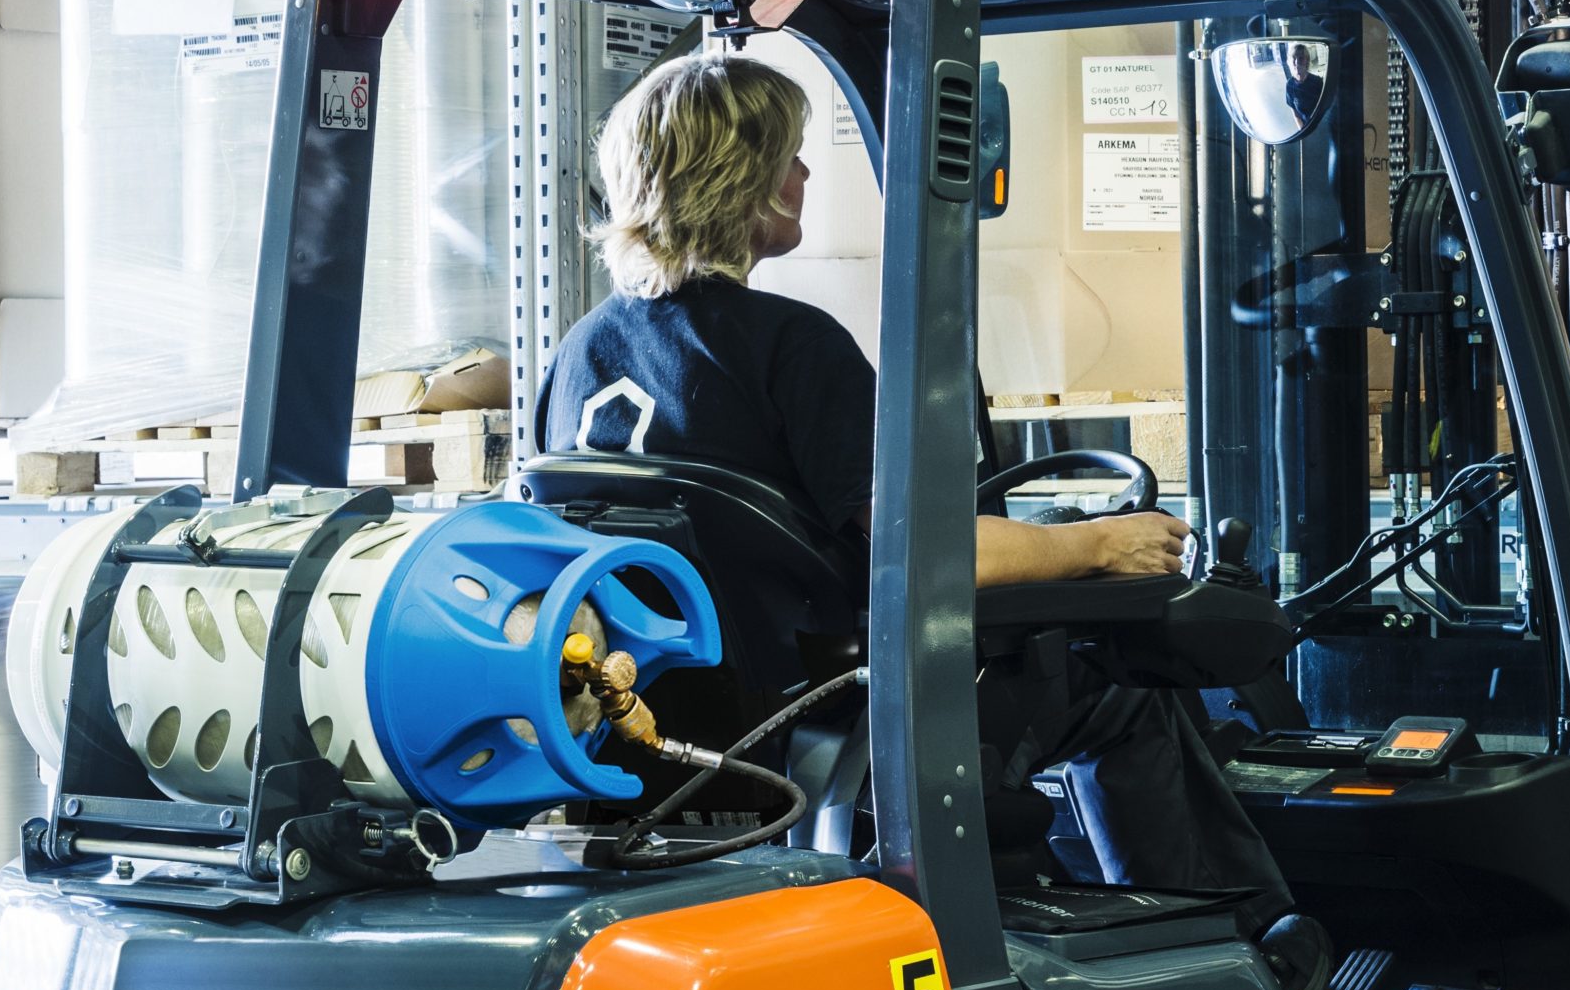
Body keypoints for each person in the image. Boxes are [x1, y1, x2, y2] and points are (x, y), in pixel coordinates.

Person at [539, 49, 1299, 934]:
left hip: (657, 718)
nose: (806, 172)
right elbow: (926, 553)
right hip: (831, 711)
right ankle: (1254, 947)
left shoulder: (581, 351)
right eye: (790, 153)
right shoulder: (794, 347)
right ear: (751, 182)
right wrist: (1097, 544)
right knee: (1119, 687)